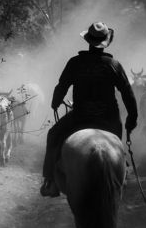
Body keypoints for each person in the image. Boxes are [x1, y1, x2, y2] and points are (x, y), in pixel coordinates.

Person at [40, 21, 138, 197]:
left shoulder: (75, 62)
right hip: (109, 118)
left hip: (80, 116)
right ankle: (121, 170)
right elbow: (128, 93)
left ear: (88, 41)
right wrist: (132, 118)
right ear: (105, 41)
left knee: (53, 135)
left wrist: (55, 103)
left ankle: (50, 181)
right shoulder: (113, 65)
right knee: (117, 141)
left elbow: (62, 86)